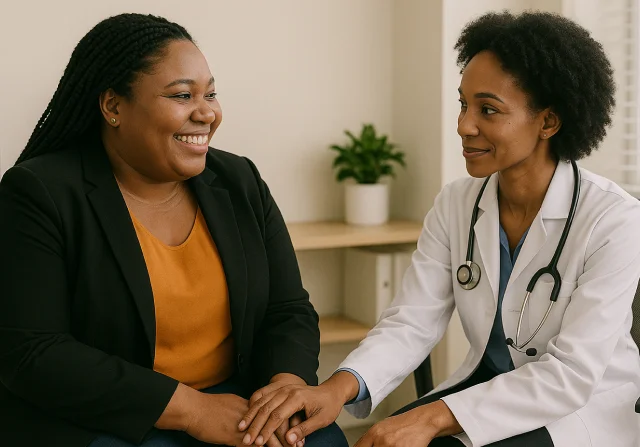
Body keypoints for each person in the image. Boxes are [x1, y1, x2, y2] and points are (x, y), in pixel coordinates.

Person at [237, 11, 640, 447]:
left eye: (488, 110)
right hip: (483, 389)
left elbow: (572, 375)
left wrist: (430, 419)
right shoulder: (456, 204)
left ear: (548, 122)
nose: (465, 125)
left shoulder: (613, 219)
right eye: (464, 104)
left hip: (579, 410)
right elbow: (412, 321)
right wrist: (336, 389)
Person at [0, 13, 348, 447]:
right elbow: (34, 352)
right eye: (183, 95)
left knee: (323, 442)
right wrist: (192, 410)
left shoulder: (240, 180)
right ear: (113, 106)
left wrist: (284, 388)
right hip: (110, 417)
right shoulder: (39, 192)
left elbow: (287, 309)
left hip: (232, 401)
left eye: (211, 93)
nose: (207, 112)